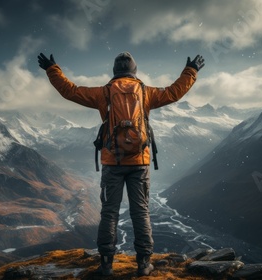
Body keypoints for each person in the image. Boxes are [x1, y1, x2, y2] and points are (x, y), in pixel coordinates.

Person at [38, 51, 204, 276]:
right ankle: (144, 264)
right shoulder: (146, 93)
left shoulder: (103, 93)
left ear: (115, 72)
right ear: (134, 71)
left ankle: (106, 265)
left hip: (112, 161)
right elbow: (175, 92)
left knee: (109, 213)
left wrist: (52, 69)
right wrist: (190, 70)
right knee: (141, 212)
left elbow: (71, 91)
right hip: (140, 162)